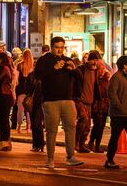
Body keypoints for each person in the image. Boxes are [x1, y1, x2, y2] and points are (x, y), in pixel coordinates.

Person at [35, 37, 84, 168]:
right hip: (50, 101)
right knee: (51, 130)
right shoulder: (44, 60)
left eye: (62, 47)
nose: (60, 50)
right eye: (57, 47)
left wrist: (74, 70)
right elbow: (38, 75)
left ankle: (70, 156)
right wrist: (54, 68)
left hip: (67, 100)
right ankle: (50, 158)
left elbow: (80, 78)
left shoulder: (68, 60)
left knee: (71, 128)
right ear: (52, 47)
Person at [75, 50, 99, 153]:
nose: (94, 62)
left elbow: (95, 87)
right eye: (93, 60)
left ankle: (82, 144)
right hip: (80, 100)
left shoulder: (95, 71)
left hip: (90, 101)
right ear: (88, 60)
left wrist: (96, 101)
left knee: (88, 124)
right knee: (83, 119)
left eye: (96, 60)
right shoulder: (81, 69)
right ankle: (76, 142)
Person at [86, 52, 110, 153]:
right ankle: (93, 143)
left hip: (104, 104)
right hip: (97, 104)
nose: (100, 70)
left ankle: (95, 143)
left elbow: (107, 91)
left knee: (101, 125)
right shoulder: (94, 78)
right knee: (98, 125)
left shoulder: (106, 79)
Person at [15, 49, 33, 133]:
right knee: (29, 109)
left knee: (20, 109)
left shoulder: (19, 65)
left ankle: (19, 126)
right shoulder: (32, 66)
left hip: (21, 89)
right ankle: (28, 127)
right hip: (30, 91)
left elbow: (16, 80)